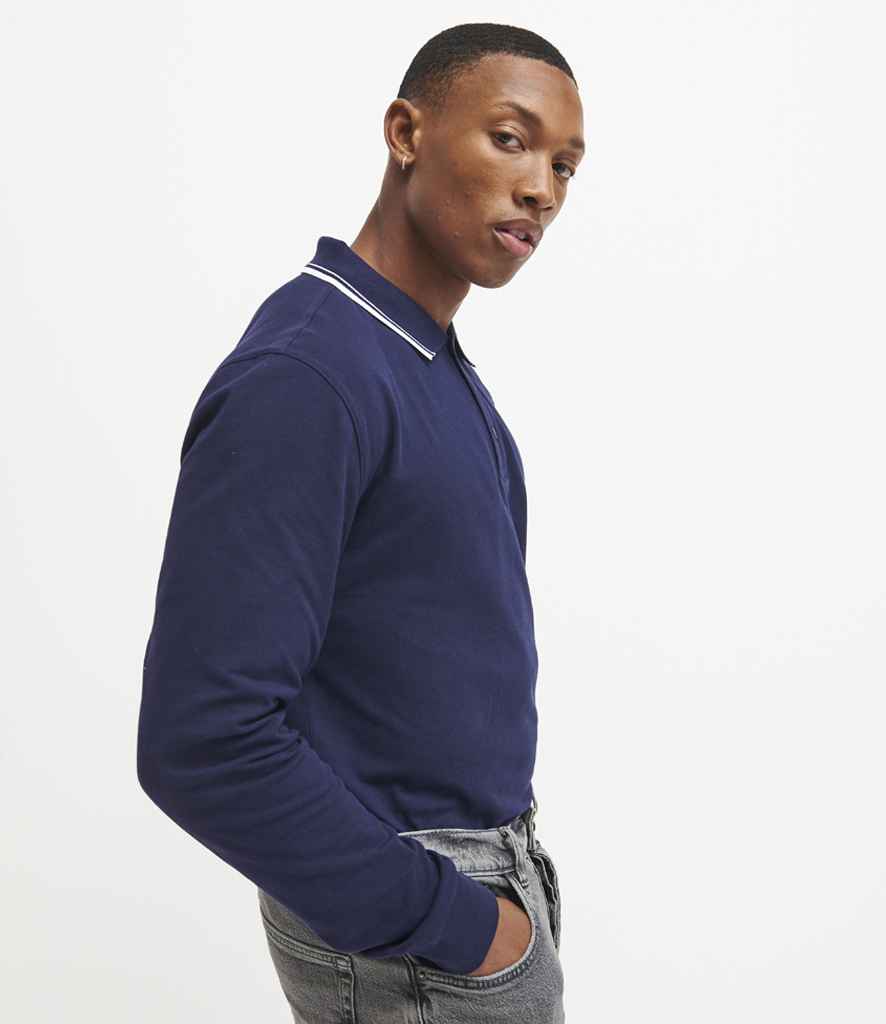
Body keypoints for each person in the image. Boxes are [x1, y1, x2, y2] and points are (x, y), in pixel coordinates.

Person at [137, 20, 583, 1023]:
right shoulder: (309, 375)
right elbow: (201, 738)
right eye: (511, 139)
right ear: (406, 132)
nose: (542, 188)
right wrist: (460, 924)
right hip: (421, 929)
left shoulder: (415, 357)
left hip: (470, 890)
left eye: (564, 165)